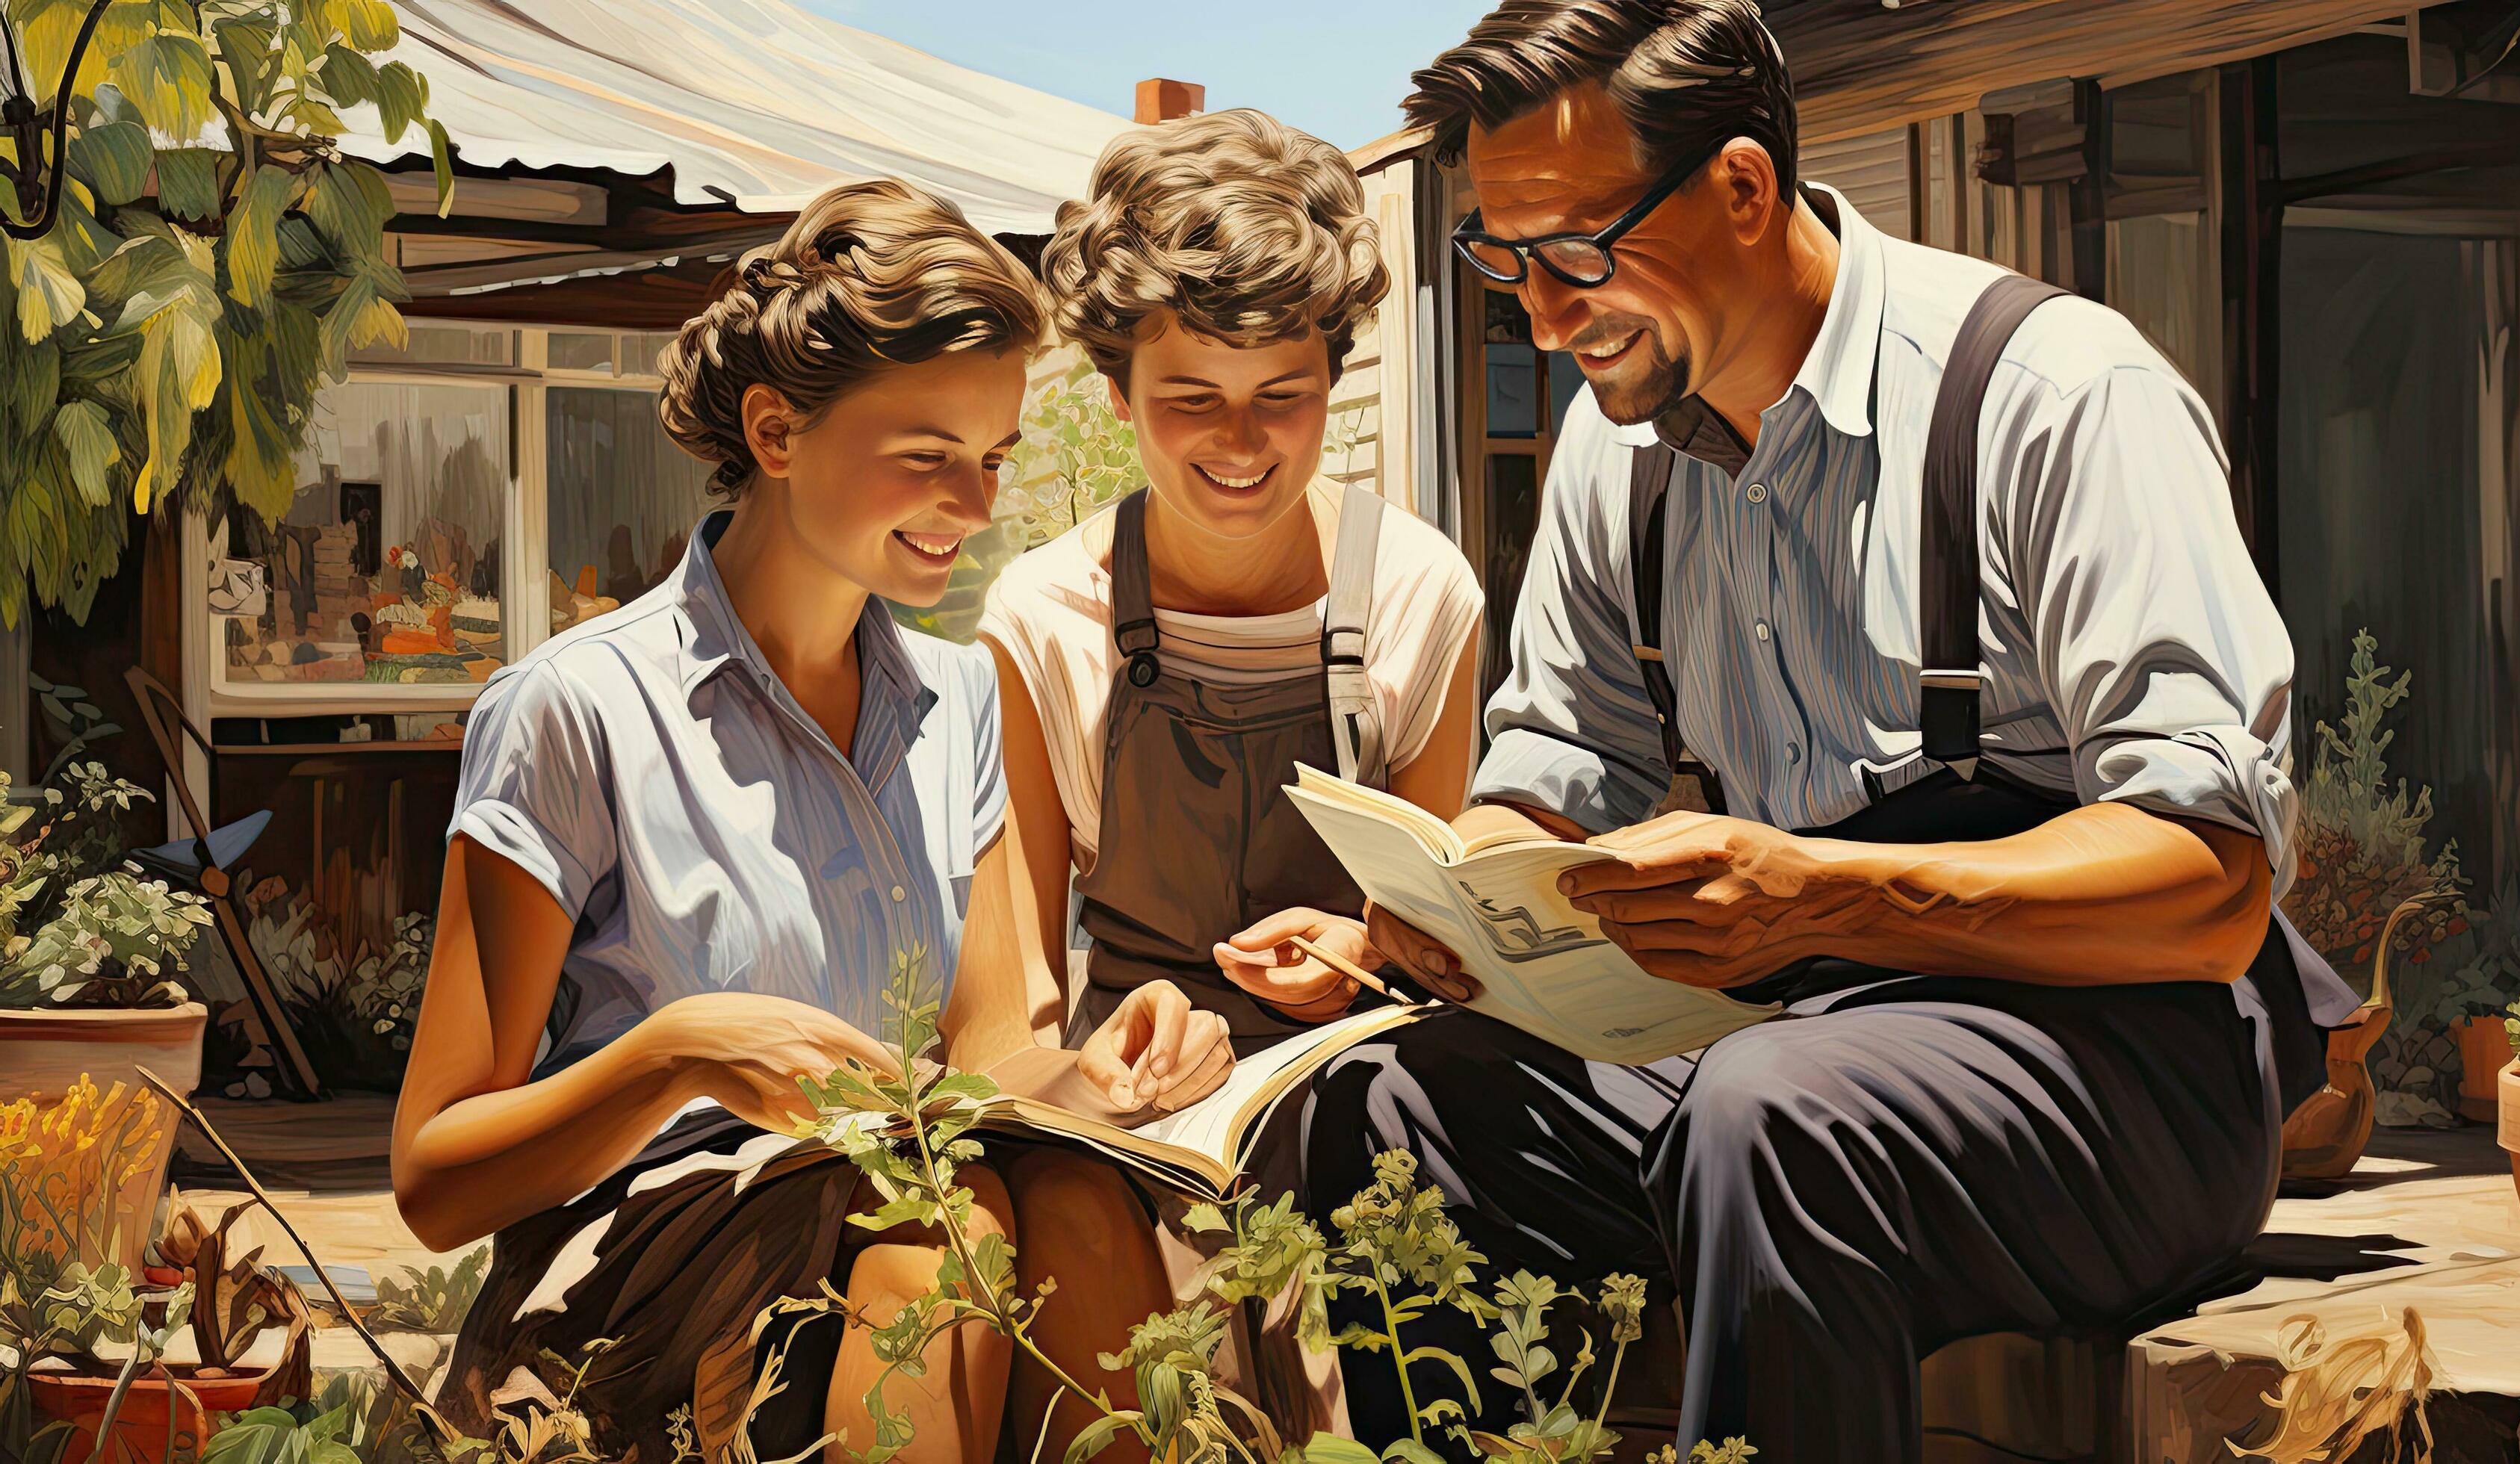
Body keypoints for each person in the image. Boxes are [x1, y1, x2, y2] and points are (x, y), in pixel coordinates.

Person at [1299, 4, 2359, 1460]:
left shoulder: (2053, 397)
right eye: (1503, 257)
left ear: (1739, 187)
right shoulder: (1616, 456)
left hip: (2126, 1065)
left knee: (1769, 1114)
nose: (1538, 315)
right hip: (1794, 1028)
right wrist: (1454, 901)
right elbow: (1547, 778)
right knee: (1390, 1100)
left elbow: (2209, 878)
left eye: (1575, 253)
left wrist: (1825, 893)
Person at [391, 180, 1234, 1463]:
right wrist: (673, 1053)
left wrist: (1108, 1069)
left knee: (1073, 1202)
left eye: (994, 456)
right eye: (926, 453)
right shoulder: (575, 709)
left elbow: (995, 1049)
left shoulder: (962, 698)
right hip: (648, 1268)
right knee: (947, 1238)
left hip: (911, 1208)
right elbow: (434, 1179)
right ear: (776, 432)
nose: (978, 502)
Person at [979, 109, 1485, 1057]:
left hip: (1369, 1079)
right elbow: (1026, 990)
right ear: (1119, 394)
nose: (1243, 444)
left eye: (1282, 396)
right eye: (1192, 399)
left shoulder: (1423, 592)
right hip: (1126, 1087)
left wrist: (1369, 949)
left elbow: (1435, 943)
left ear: (1332, 381)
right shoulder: (1041, 619)